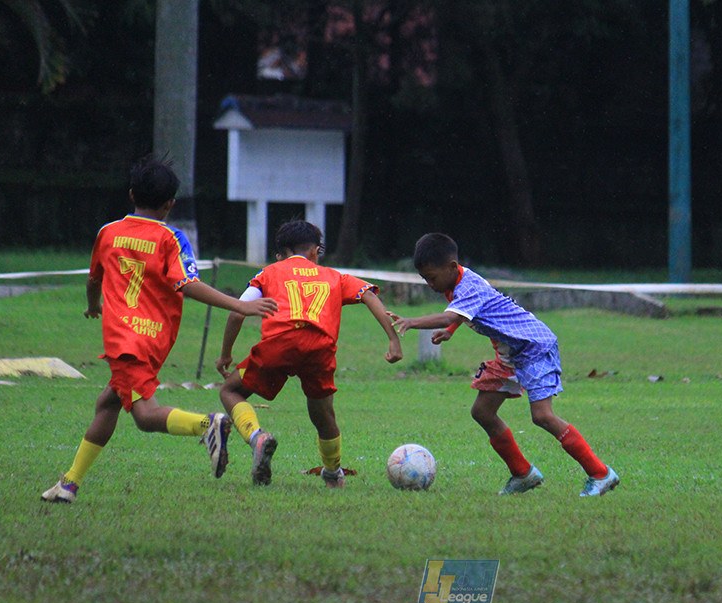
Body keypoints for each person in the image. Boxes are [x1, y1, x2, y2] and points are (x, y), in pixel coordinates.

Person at [41, 155, 278, 504]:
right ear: (170, 204)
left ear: (132, 193)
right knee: (107, 403)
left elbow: (94, 280)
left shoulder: (108, 233)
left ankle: (208, 424)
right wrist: (237, 302)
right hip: (154, 338)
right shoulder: (172, 237)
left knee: (144, 416)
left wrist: (94, 306)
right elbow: (187, 283)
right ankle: (69, 484)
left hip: (123, 339)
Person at [390, 233, 619, 497]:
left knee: (542, 416)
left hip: (534, 347)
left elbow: (450, 314)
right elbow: (461, 313)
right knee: (482, 412)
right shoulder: (454, 281)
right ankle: (523, 474)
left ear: (452, 267)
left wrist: (411, 321)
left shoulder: (468, 285)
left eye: (432, 277)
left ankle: (601, 473)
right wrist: (452, 329)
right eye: (425, 279)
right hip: (509, 354)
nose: (430, 284)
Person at [215, 220, 403, 488]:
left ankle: (257, 437)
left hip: (277, 344)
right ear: (316, 251)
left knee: (230, 391)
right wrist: (393, 339)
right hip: (319, 346)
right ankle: (332, 473)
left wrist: (225, 355)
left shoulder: (269, 272)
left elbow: (237, 312)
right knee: (323, 413)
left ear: (281, 254)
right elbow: (369, 295)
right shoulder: (334, 276)